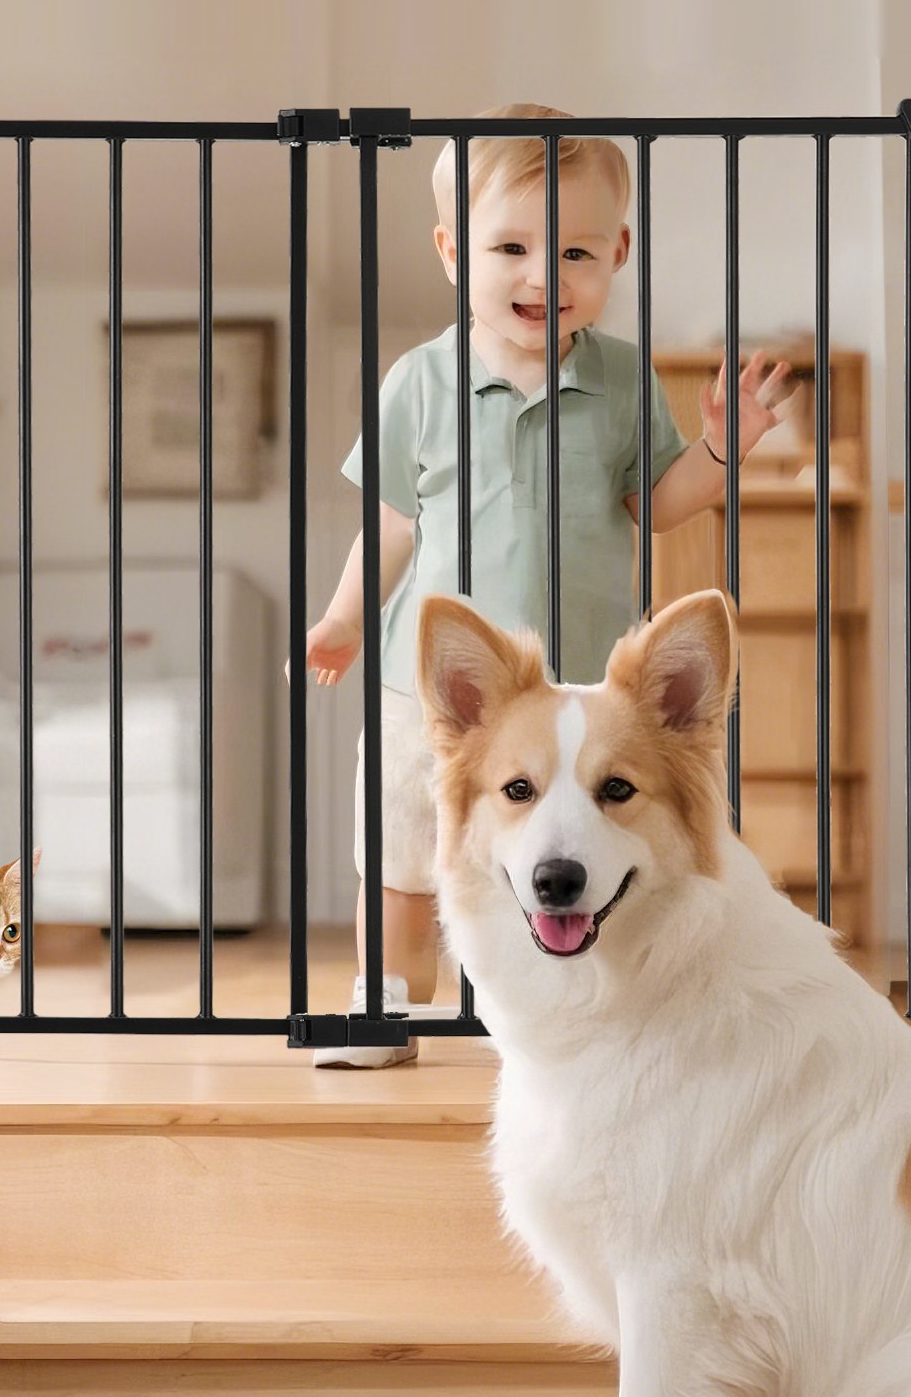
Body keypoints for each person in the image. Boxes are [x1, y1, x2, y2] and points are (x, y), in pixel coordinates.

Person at [303, 103, 791, 1067]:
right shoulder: (419, 383)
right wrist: (344, 617)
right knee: (402, 849)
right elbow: (391, 525)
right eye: (511, 248)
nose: (543, 276)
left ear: (617, 253)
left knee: (568, 844)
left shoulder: (623, 380)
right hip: (432, 691)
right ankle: (384, 1003)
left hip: (578, 694)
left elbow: (655, 504)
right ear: (453, 253)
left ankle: (547, 1014)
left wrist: (719, 453)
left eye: (575, 253)